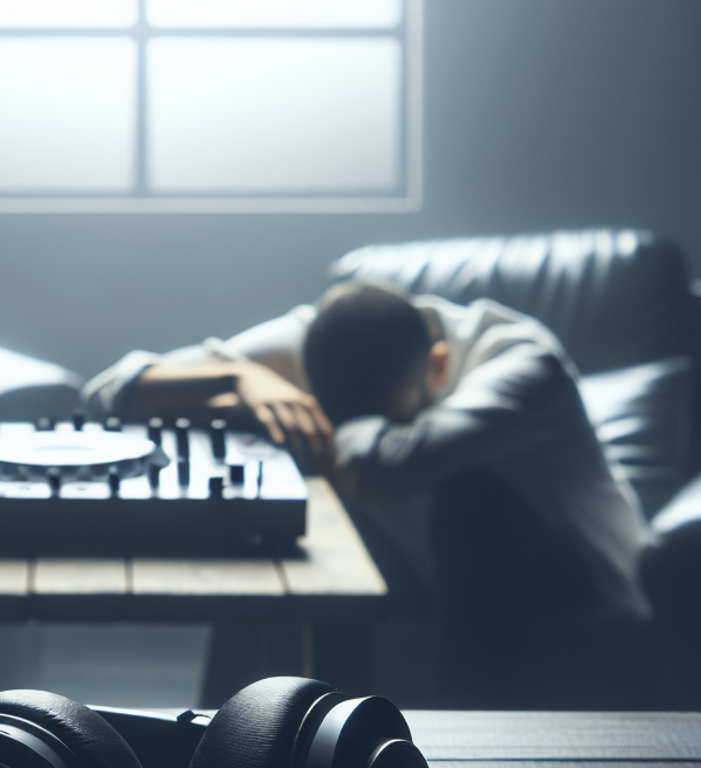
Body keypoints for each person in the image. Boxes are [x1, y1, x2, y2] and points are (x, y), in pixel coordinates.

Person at [82, 282, 651, 706]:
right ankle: (228, 752)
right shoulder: (316, 336)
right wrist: (241, 380)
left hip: (579, 583)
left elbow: (390, 466)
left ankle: (459, 761)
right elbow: (111, 392)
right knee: (272, 529)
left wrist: (303, 415)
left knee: (472, 505)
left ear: (439, 365)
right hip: (422, 571)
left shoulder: (525, 365)